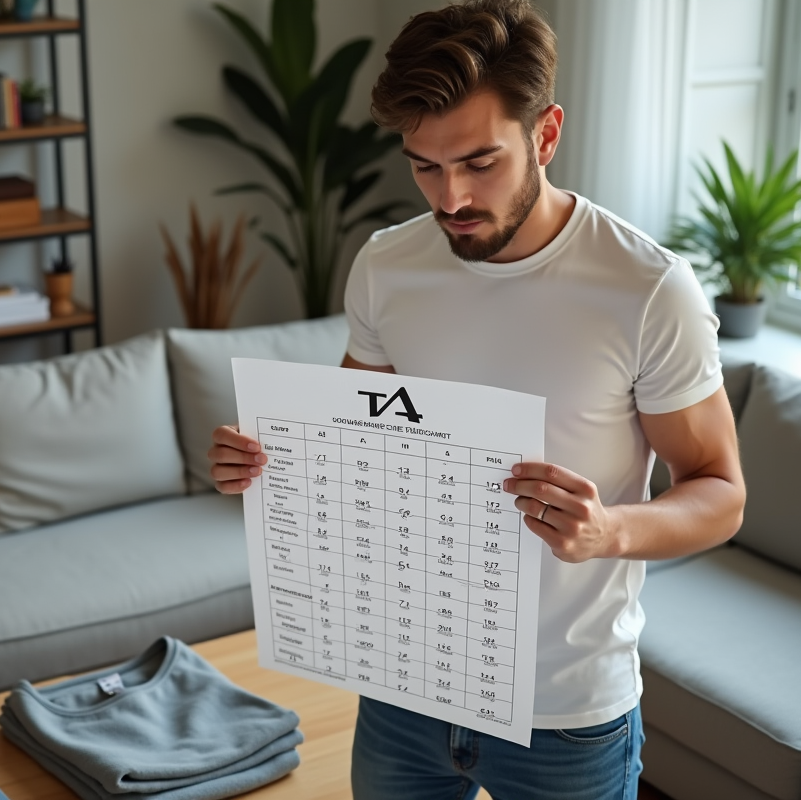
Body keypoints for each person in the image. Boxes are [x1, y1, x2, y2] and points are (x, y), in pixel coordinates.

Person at [208, 1, 746, 797]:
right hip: (403, 687)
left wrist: (608, 530)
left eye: (480, 162)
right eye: (424, 165)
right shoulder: (388, 264)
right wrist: (268, 463)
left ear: (547, 134)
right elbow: (360, 440)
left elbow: (721, 494)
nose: (450, 196)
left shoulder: (646, 288)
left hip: (565, 713)